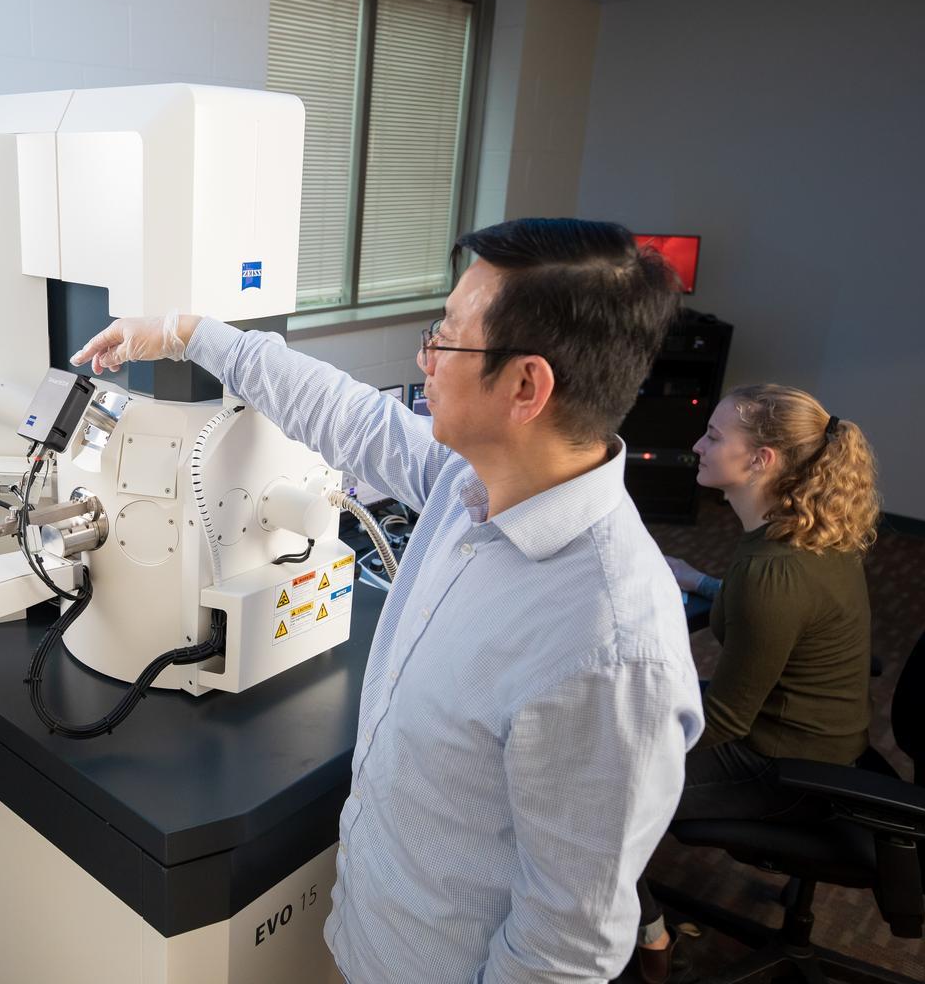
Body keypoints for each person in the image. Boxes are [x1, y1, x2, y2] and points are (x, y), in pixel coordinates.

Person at [72, 218, 705, 983]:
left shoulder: (609, 648)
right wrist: (185, 333)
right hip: (368, 939)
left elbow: (564, 949)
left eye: (447, 338)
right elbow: (345, 414)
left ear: (526, 387)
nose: (424, 358)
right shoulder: (468, 484)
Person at [637, 385, 879, 982]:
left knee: (592, 785)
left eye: (715, 436)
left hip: (786, 767)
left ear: (761, 460)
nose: (698, 444)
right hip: (818, 737)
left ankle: (650, 938)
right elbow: (778, 616)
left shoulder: (773, 571)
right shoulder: (802, 533)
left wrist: (620, 733)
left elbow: (724, 722)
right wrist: (702, 581)